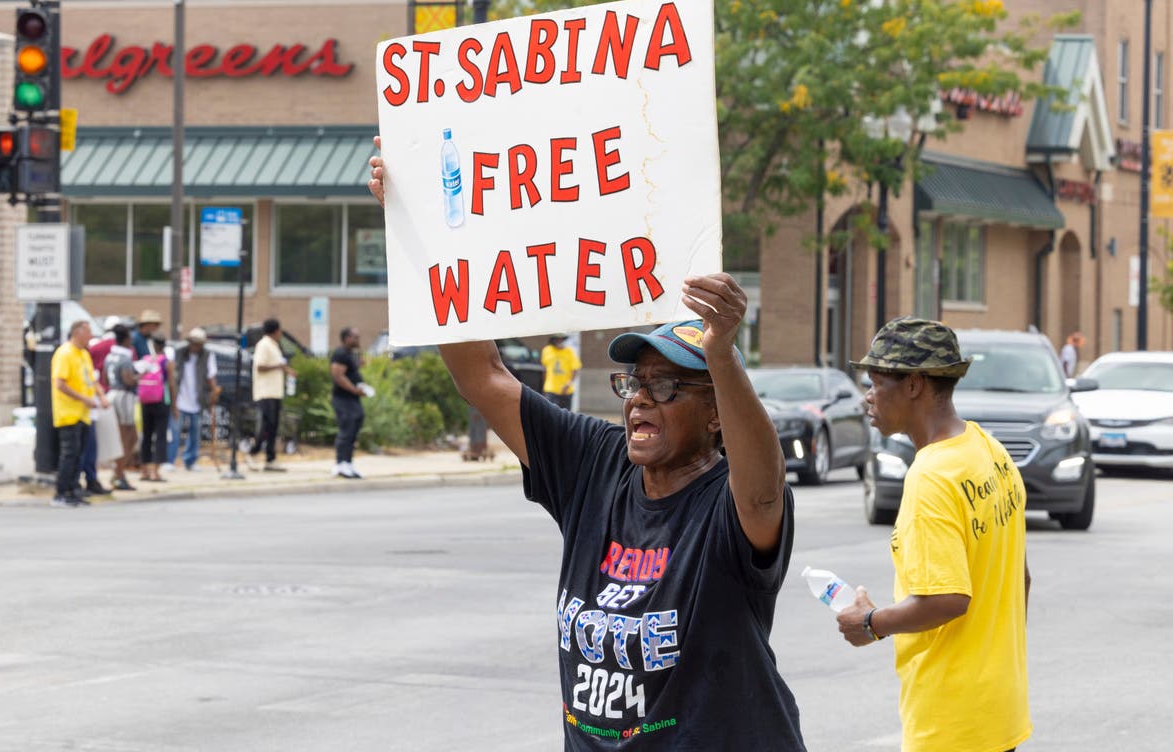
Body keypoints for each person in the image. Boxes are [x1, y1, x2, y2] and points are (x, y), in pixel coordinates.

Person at [368, 150, 806, 749]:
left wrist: (723, 352)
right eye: (632, 384)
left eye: (666, 386)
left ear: (715, 417)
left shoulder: (726, 508)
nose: (639, 400)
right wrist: (415, 226)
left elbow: (761, 490)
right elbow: (485, 379)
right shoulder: (596, 464)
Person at [837, 317, 1031, 752]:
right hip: (999, 703)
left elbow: (948, 599)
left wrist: (870, 622)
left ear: (915, 385)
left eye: (876, 381)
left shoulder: (932, 476)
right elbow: (1020, 577)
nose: (867, 396)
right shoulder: (988, 450)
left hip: (952, 718)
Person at [52, 320, 109, 507]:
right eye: (88, 332)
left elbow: (91, 379)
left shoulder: (84, 354)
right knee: (69, 454)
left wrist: (101, 395)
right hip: (68, 413)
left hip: (84, 414)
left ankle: (74, 490)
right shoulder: (65, 353)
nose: (91, 336)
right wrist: (83, 399)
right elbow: (60, 384)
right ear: (77, 332)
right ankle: (61, 493)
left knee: (79, 455)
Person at [168, 327, 218, 472]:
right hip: (179, 399)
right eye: (193, 343)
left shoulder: (207, 356)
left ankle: (190, 460)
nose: (195, 347)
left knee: (195, 432)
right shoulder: (178, 353)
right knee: (175, 431)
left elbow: (211, 376)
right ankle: (170, 460)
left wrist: (214, 390)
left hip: (197, 399)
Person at [251, 318, 293, 473]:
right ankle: (253, 452)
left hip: (275, 392)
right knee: (267, 425)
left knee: (273, 426)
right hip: (265, 391)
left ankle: (270, 459)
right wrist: (279, 366)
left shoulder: (274, 346)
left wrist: (286, 370)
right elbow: (260, 366)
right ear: (276, 331)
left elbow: (276, 366)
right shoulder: (264, 345)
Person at [329, 327, 372, 479]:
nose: (358, 340)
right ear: (346, 338)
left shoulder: (350, 354)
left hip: (353, 399)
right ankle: (340, 463)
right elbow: (338, 376)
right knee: (346, 430)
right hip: (343, 398)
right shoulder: (340, 353)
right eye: (355, 337)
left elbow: (351, 373)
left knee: (355, 427)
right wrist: (354, 389)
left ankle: (348, 462)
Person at [103, 324, 139, 491]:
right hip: (124, 396)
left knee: (122, 435)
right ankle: (119, 473)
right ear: (126, 339)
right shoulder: (125, 358)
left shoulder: (110, 356)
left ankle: (119, 472)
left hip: (111, 393)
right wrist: (142, 375)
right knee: (128, 436)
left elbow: (105, 378)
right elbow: (128, 380)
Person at [137, 333, 174, 482]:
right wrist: (175, 406)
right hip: (161, 401)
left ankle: (144, 470)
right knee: (160, 435)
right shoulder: (166, 362)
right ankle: (156, 472)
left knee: (146, 435)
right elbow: (171, 384)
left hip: (145, 402)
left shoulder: (146, 360)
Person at [540, 333, 582, 410]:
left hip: (566, 390)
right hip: (551, 389)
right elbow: (544, 369)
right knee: (550, 414)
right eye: (557, 339)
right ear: (553, 340)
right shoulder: (547, 350)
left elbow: (575, 369)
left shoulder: (569, 351)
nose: (559, 341)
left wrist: (569, 383)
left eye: (561, 339)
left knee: (566, 417)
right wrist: (544, 386)